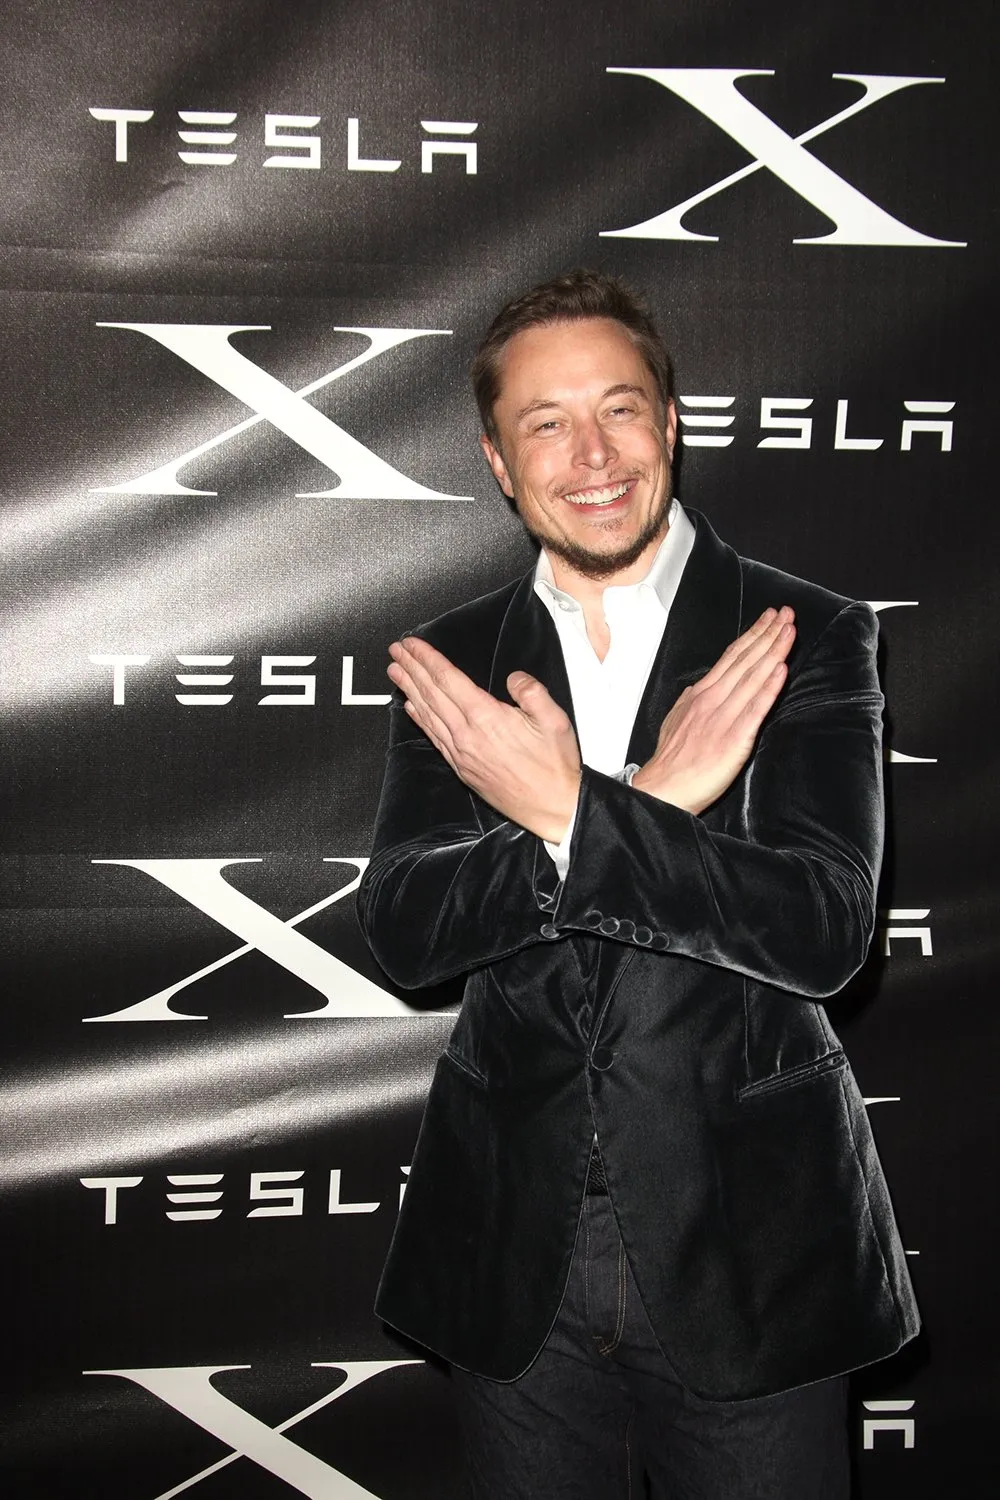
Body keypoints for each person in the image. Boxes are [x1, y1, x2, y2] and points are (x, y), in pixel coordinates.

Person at [357, 270, 918, 1498]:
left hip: (753, 1243)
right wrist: (649, 802)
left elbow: (823, 929)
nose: (593, 455)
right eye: (546, 423)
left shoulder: (802, 633)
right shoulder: (452, 661)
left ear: (669, 422)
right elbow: (403, 929)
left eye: (619, 409)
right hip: (514, 1246)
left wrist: (571, 813)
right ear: (499, 462)